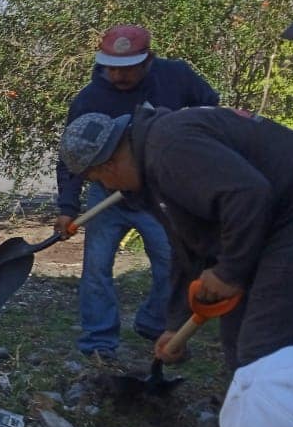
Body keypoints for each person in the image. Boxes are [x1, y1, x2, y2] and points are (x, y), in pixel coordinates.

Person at [60, 105, 293, 427]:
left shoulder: (171, 147)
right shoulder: (152, 165)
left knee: (264, 351)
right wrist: (175, 325)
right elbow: (187, 249)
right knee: (238, 340)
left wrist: (229, 272)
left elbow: (249, 195)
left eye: (99, 178)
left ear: (114, 159)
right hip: (276, 223)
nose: (104, 186)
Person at [54, 25, 219, 362]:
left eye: (128, 68)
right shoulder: (90, 99)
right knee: (97, 269)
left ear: (149, 61)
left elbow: (211, 107)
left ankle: (154, 323)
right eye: (112, 67)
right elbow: (72, 159)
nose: (119, 75)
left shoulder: (175, 77)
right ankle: (99, 342)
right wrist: (67, 207)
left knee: (170, 262)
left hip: (160, 196)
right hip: (108, 198)